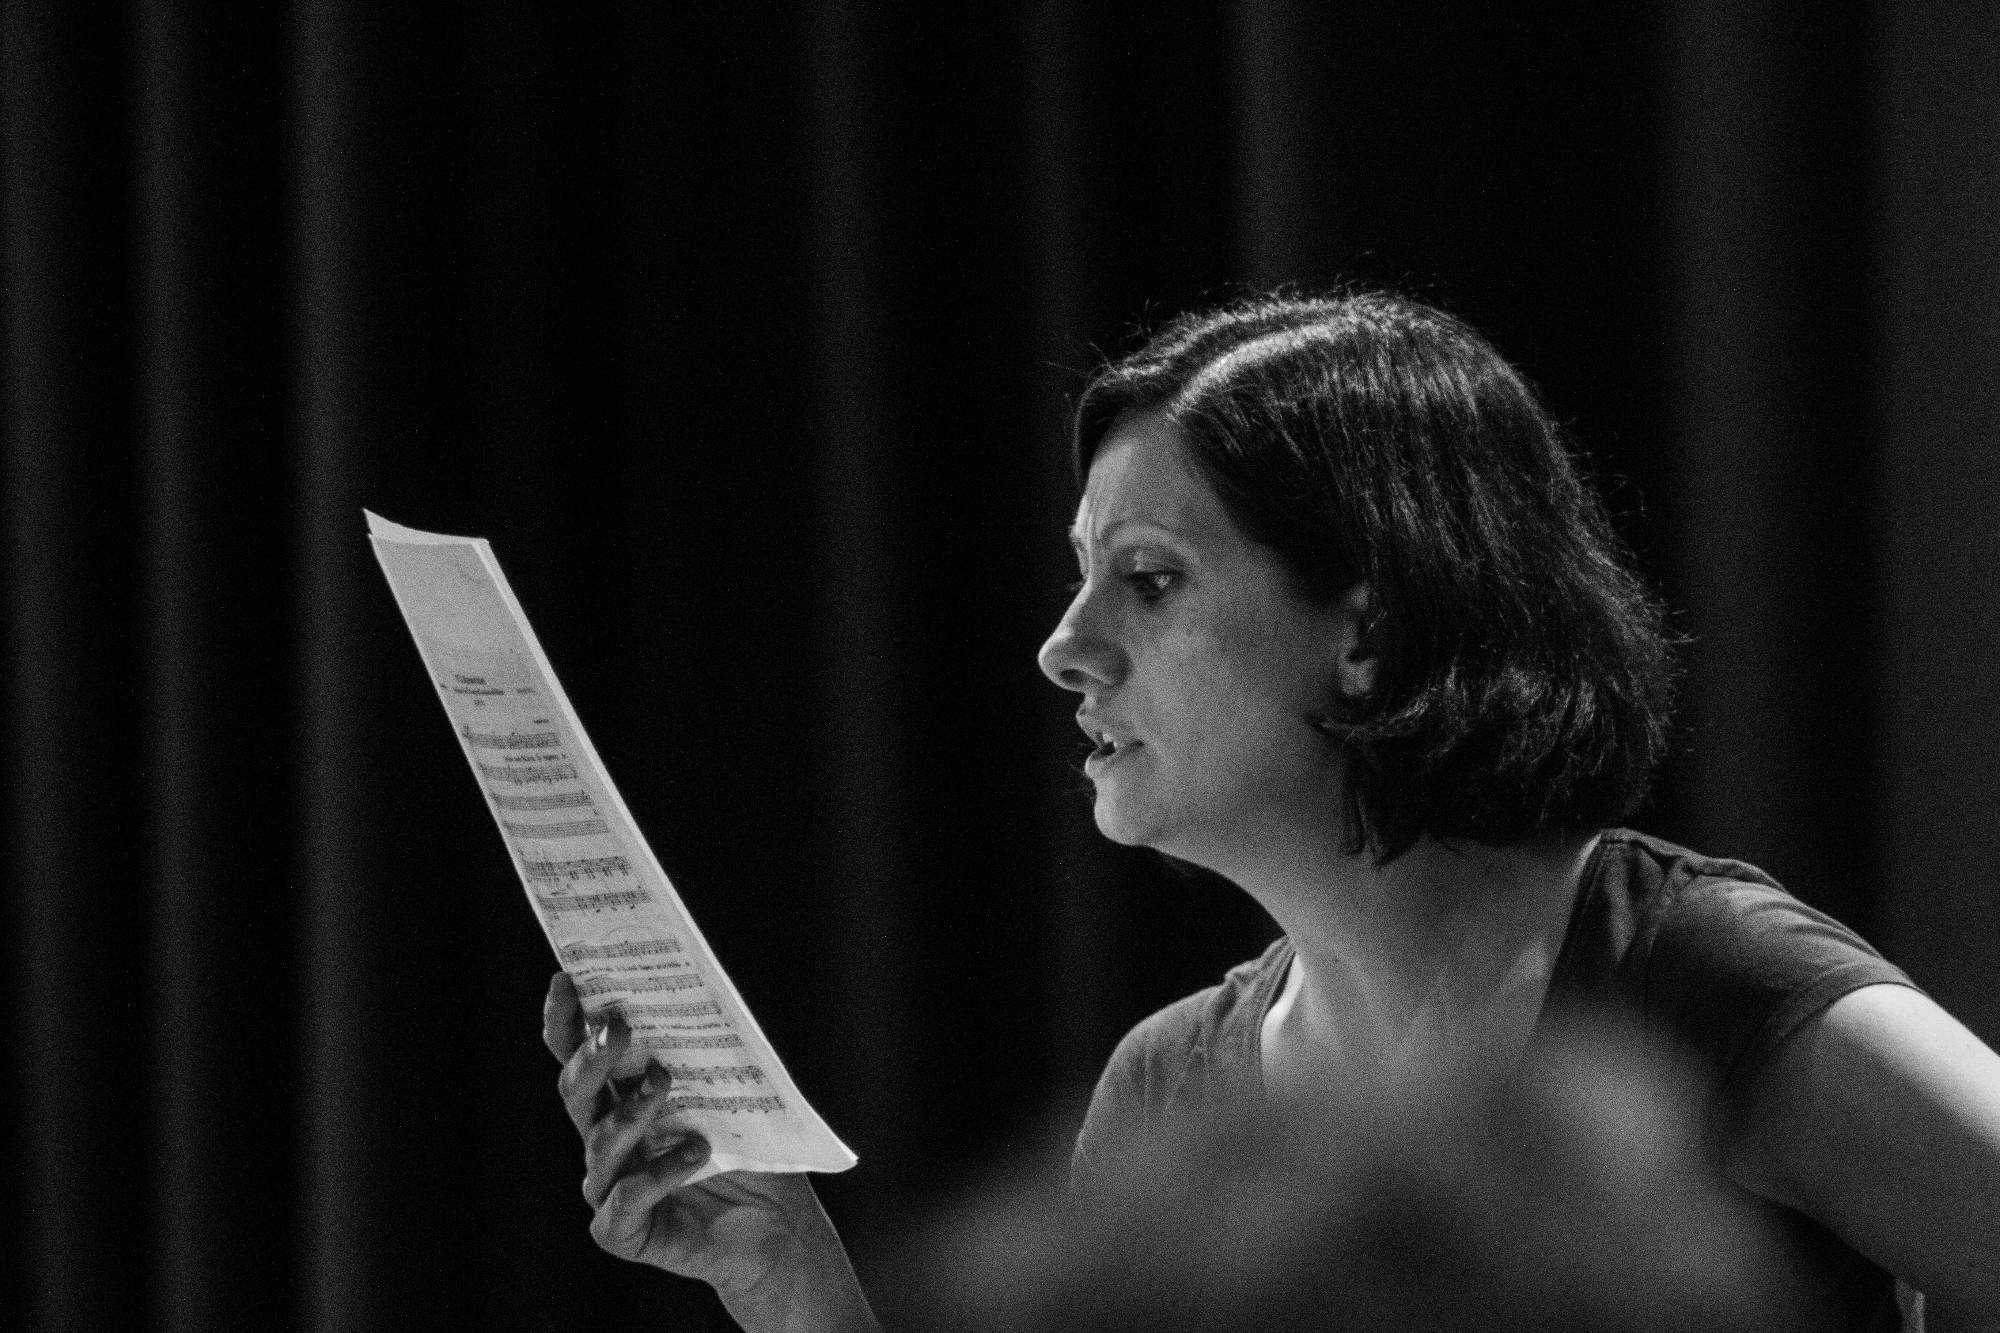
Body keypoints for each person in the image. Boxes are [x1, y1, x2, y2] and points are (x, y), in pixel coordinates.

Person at [544, 291, 2000, 1331]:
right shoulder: (1166, 1091)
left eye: (1150, 579)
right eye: (1078, 574)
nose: (1065, 646)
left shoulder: (1718, 988)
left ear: (1367, 631)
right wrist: (791, 1278)